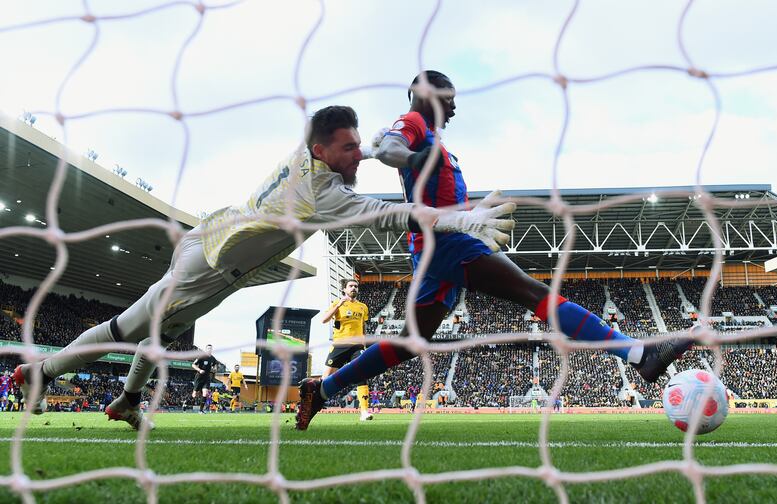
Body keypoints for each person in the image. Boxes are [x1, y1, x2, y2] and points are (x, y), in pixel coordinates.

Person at [12, 105, 515, 430]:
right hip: (209, 271)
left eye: (358, 142)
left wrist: (386, 134)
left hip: (212, 236)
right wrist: (463, 221)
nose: (358, 152)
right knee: (129, 327)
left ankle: (125, 402)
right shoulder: (323, 194)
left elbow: (350, 149)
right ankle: (41, 372)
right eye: (348, 147)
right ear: (322, 151)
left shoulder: (308, 154)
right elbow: (397, 215)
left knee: (160, 334)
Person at [295, 72, 692, 430]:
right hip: (445, 243)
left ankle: (323, 389)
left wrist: (473, 210)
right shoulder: (414, 123)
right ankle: (640, 354)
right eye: (449, 96)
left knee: (409, 342)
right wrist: (413, 157)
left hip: (438, 246)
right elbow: (395, 148)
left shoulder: (435, 139)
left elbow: (430, 184)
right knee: (532, 292)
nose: (454, 106)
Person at [320, 278, 373, 421]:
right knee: (325, 378)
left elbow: (363, 327)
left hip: (357, 346)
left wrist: (364, 344)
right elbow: (324, 320)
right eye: (351, 286)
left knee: (362, 375)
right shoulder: (337, 303)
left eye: (356, 286)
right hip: (340, 344)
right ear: (344, 289)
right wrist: (338, 306)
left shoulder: (363, 307)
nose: (354, 288)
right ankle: (313, 403)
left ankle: (364, 412)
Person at [192, 344, 219, 414]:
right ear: (206, 349)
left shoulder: (213, 358)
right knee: (194, 395)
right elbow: (193, 365)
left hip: (207, 377)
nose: (209, 349)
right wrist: (199, 370)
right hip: (199, 377)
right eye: (208, 348)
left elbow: (215, 365)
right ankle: (192, 394)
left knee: (205, 393)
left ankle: (200, 410)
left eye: (210, 348)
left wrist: (215, 369)